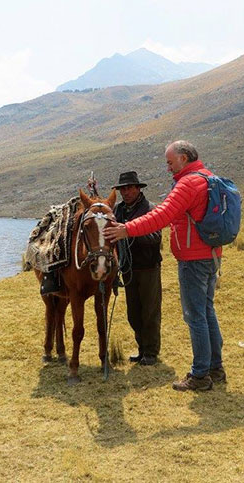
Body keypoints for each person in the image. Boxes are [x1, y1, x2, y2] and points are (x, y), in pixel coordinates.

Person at [103, 141, 226, 391]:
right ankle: (215, 367)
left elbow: (162, 216)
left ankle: (201, 375)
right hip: (211, 255)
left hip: (193, 260)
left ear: (183, 158)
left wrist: (127, 229)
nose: (168, 168)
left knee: (196, 317)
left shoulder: (189, 183)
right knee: (207, 311)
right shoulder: (208, 177)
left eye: (170, 162)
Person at [90, 171, 162, 366]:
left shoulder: (150, 209)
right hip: (129, 269)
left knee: (150, 311)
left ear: (138, 188)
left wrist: (129, 231)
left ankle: (151, 352)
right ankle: (142, 349)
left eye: (130, 188)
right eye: (123, 189)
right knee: (134, 313)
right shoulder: (120, 210)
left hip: (148, 268)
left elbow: (155, 237)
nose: (126, 192)